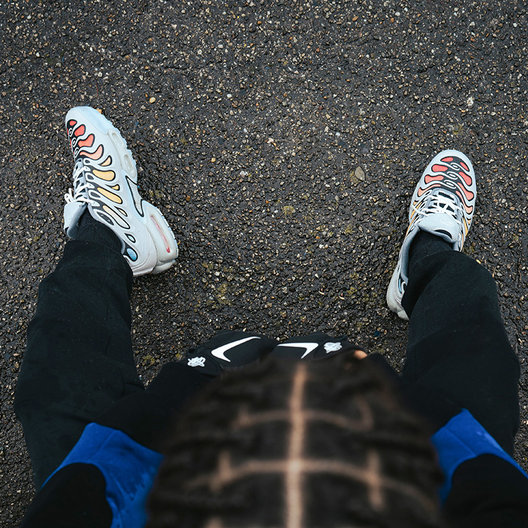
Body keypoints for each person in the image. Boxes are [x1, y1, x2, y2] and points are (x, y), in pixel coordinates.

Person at [14, 107, 528, 527]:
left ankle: (107, 232)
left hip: (138, 477)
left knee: (55, 382)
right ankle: (429, 254)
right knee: (477, 360)